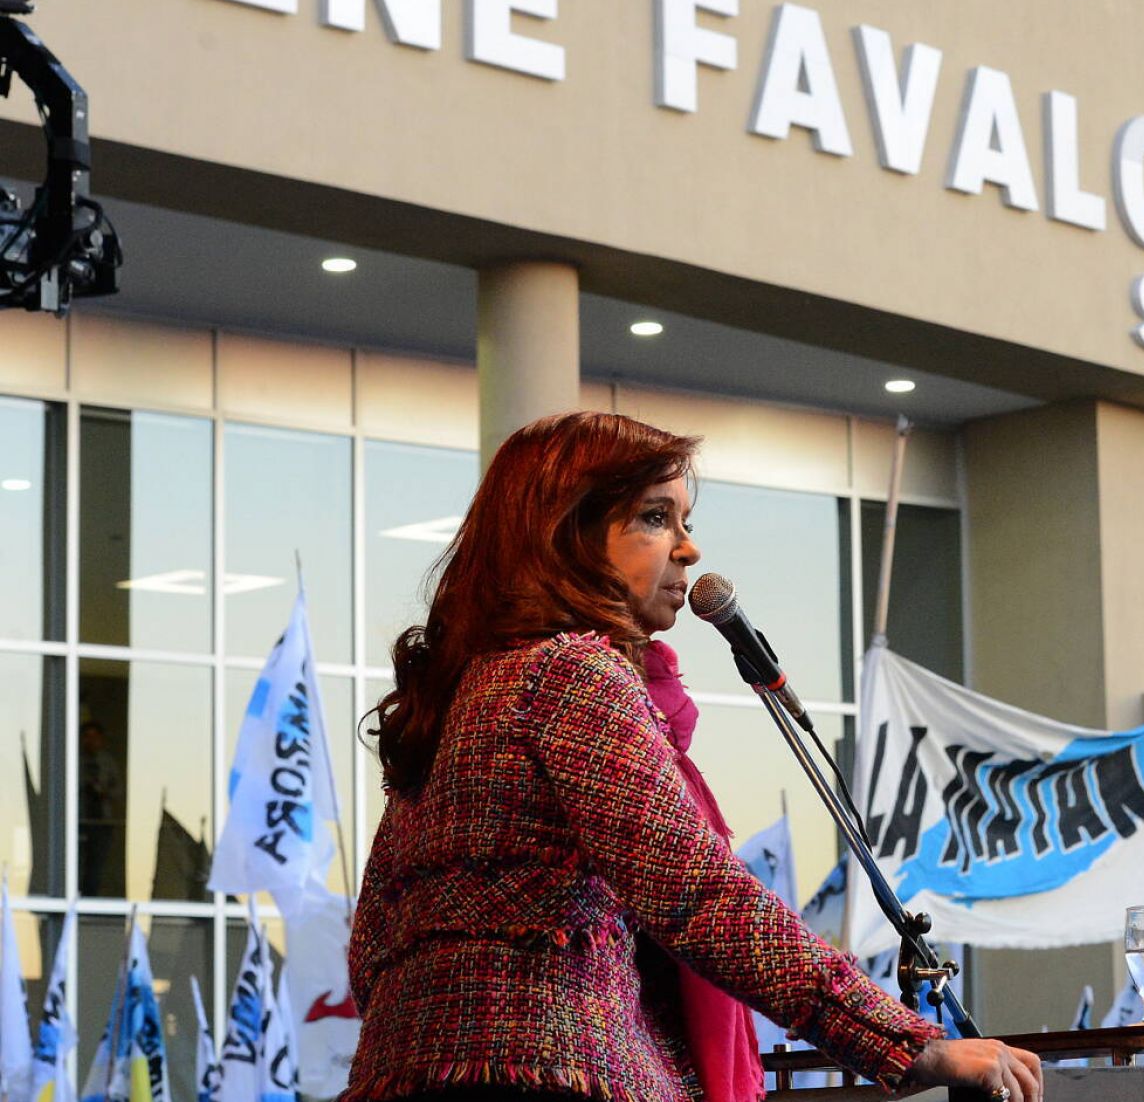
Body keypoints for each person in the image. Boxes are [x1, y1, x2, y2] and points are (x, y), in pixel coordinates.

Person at [344, 411, 1041, 1102]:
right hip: (549, 1079)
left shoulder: (463, 692)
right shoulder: (567, 672)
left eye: (686, 520)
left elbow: (371, 946)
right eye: (655, 517)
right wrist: (909, 1042)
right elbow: (696, 895)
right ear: (569, 535)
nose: (688, 550)